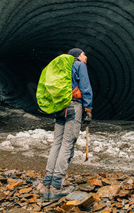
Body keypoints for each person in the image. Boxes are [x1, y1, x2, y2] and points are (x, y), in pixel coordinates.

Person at [40, 48, 93, 201]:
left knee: (57, 143)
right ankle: (57, 186)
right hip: (73, 106)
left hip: (60, 106)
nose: (86, 56)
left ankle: (47, 184)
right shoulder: (79, 65)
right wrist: (88, 109)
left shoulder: (62, 66)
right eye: (84, 54)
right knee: (67, 144)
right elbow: (85, 87)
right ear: (78, 56)